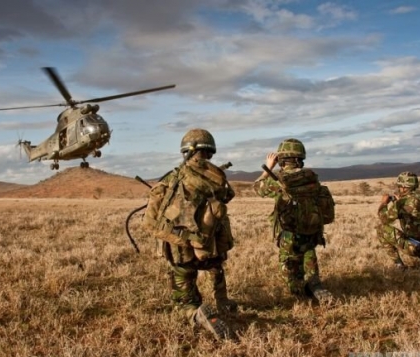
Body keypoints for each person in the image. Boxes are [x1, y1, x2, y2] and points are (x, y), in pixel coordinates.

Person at [143, 128, 237, 340]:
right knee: (216, 268)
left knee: (184, 292)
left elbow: (150, 223)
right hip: (211, 249)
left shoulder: (172, 178)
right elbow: (228, 196)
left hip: (182, 252)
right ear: (210, 151)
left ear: (185, 150)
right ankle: (223, 301)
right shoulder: (218, 176)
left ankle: (195, 312)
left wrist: (184, 238)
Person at [253, 138, 335, 305]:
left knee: (289, 264)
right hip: (312, 230)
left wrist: (269, 166)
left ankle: (300, 293)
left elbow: (257, 187)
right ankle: (314, 284)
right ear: (301, 158)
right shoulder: (312, 179)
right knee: (308, 253)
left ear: (281, 160)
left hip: (289, 234)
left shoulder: (280, 181)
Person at [377, 171, 420, 270]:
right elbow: (414, 212)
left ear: (403, 187)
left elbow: (384, 219)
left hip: (416, 248)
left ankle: (399, 266)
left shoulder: (402, 203)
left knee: (381, 229)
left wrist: (384, 203)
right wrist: (398, 203)